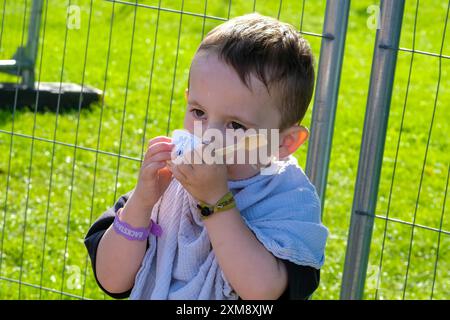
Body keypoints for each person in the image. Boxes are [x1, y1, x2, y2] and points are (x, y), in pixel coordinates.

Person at [84, 13, 328, 300]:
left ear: (284, 142)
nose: (207, 137)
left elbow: (263, 294)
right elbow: (113, 280)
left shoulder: (287, 199)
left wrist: (215, 202)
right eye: (199, 112)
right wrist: (141, 202)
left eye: (235, 125)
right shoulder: (168, 190)